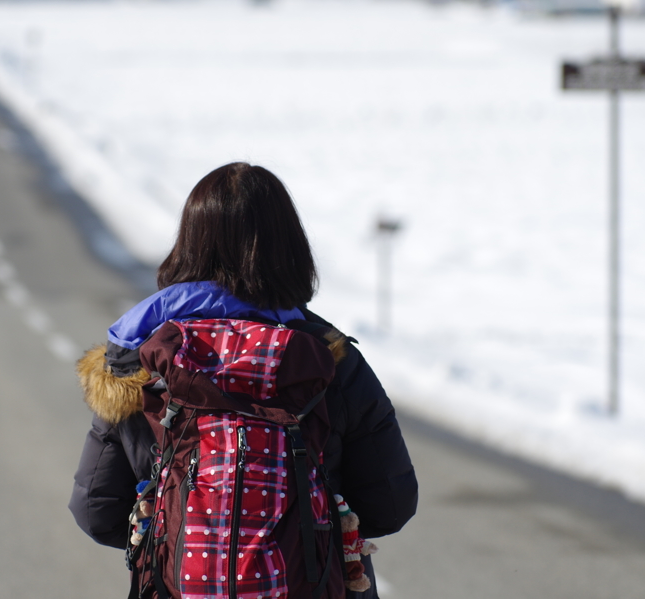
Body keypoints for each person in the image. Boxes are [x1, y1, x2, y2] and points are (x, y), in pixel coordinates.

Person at [70, 162, 418, 598]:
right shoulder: (330, 360)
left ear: (188, 244)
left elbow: (97, 510)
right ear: (290, 248)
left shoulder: (136, 361)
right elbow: (389, 505)